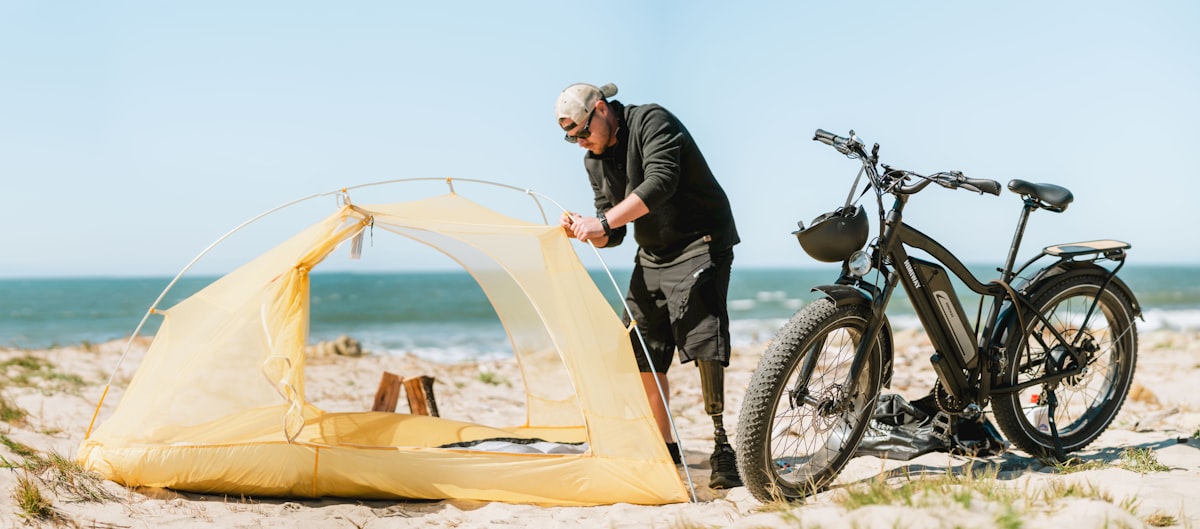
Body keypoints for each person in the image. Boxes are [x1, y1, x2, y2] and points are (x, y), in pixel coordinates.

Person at [553, 82, 742, 489]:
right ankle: (665, 445)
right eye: (574, 139)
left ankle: (722, 447)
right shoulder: (594, 160)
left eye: (584, 131)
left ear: (601, 109)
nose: (582, 142)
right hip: (653, 253)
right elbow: (614, 233)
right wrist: (586, 231)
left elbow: (660, 182)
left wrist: (601, 223)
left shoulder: (651, 120)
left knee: (704, 340)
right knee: (638, 347)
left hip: (700, 242)